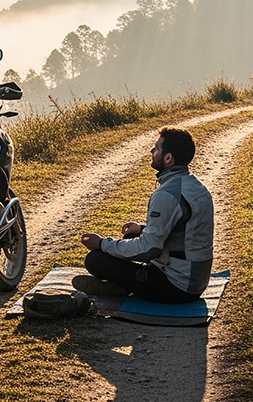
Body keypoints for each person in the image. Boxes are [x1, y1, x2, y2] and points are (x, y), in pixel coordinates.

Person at [79, 127, 213, 303]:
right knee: (131, 235)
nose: (152, 151)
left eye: (156, 148)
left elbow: (149, 249)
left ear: (167, 158)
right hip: (195, 280)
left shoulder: (167, 194)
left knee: (95, 259)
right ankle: (123, 284)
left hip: (177, 287)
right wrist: (141, 229)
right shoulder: (195, 186)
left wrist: (103, 244)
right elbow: (183, 231)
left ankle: (120, 287)